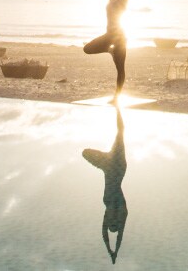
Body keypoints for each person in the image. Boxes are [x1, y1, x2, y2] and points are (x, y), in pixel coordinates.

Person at [81, 108, 129, 264]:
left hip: (107, 166)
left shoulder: (108, 211)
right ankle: (118, 107)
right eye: (114, 223)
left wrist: (110, 249)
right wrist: (114, 250)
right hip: (116, 165)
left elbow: (104, 233)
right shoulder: (121, 209)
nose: (111, 221)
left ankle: (117, 107)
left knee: (85, 152)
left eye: (110, 223)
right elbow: (119, 235)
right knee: (120, 132)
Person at [83, 0, 131, 96]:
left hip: (120, 37)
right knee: (87, 48)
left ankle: (117, 96)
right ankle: (109, 50)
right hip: (109, 34)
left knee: (120, 69)